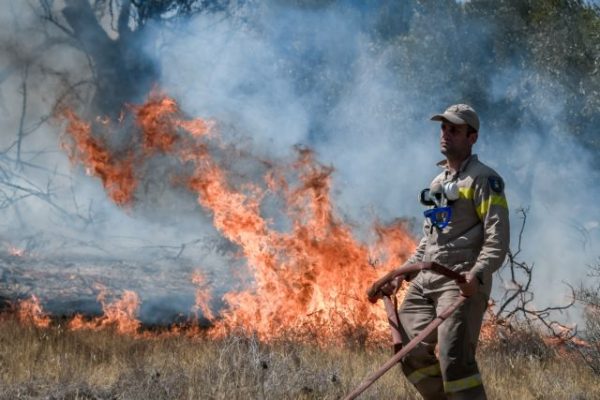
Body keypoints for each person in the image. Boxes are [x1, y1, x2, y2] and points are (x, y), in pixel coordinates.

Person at [367, 104, 510, 400]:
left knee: (454, 361)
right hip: (425, 282)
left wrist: (477, 274)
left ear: (472, 137)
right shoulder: (438, 183)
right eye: (443, 128)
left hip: (459, 282)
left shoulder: (484, 180)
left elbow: (497, 238)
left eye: (454, 129)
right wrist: (402, 275)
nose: (446, 134)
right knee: (409, 353)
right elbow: (428, 242)